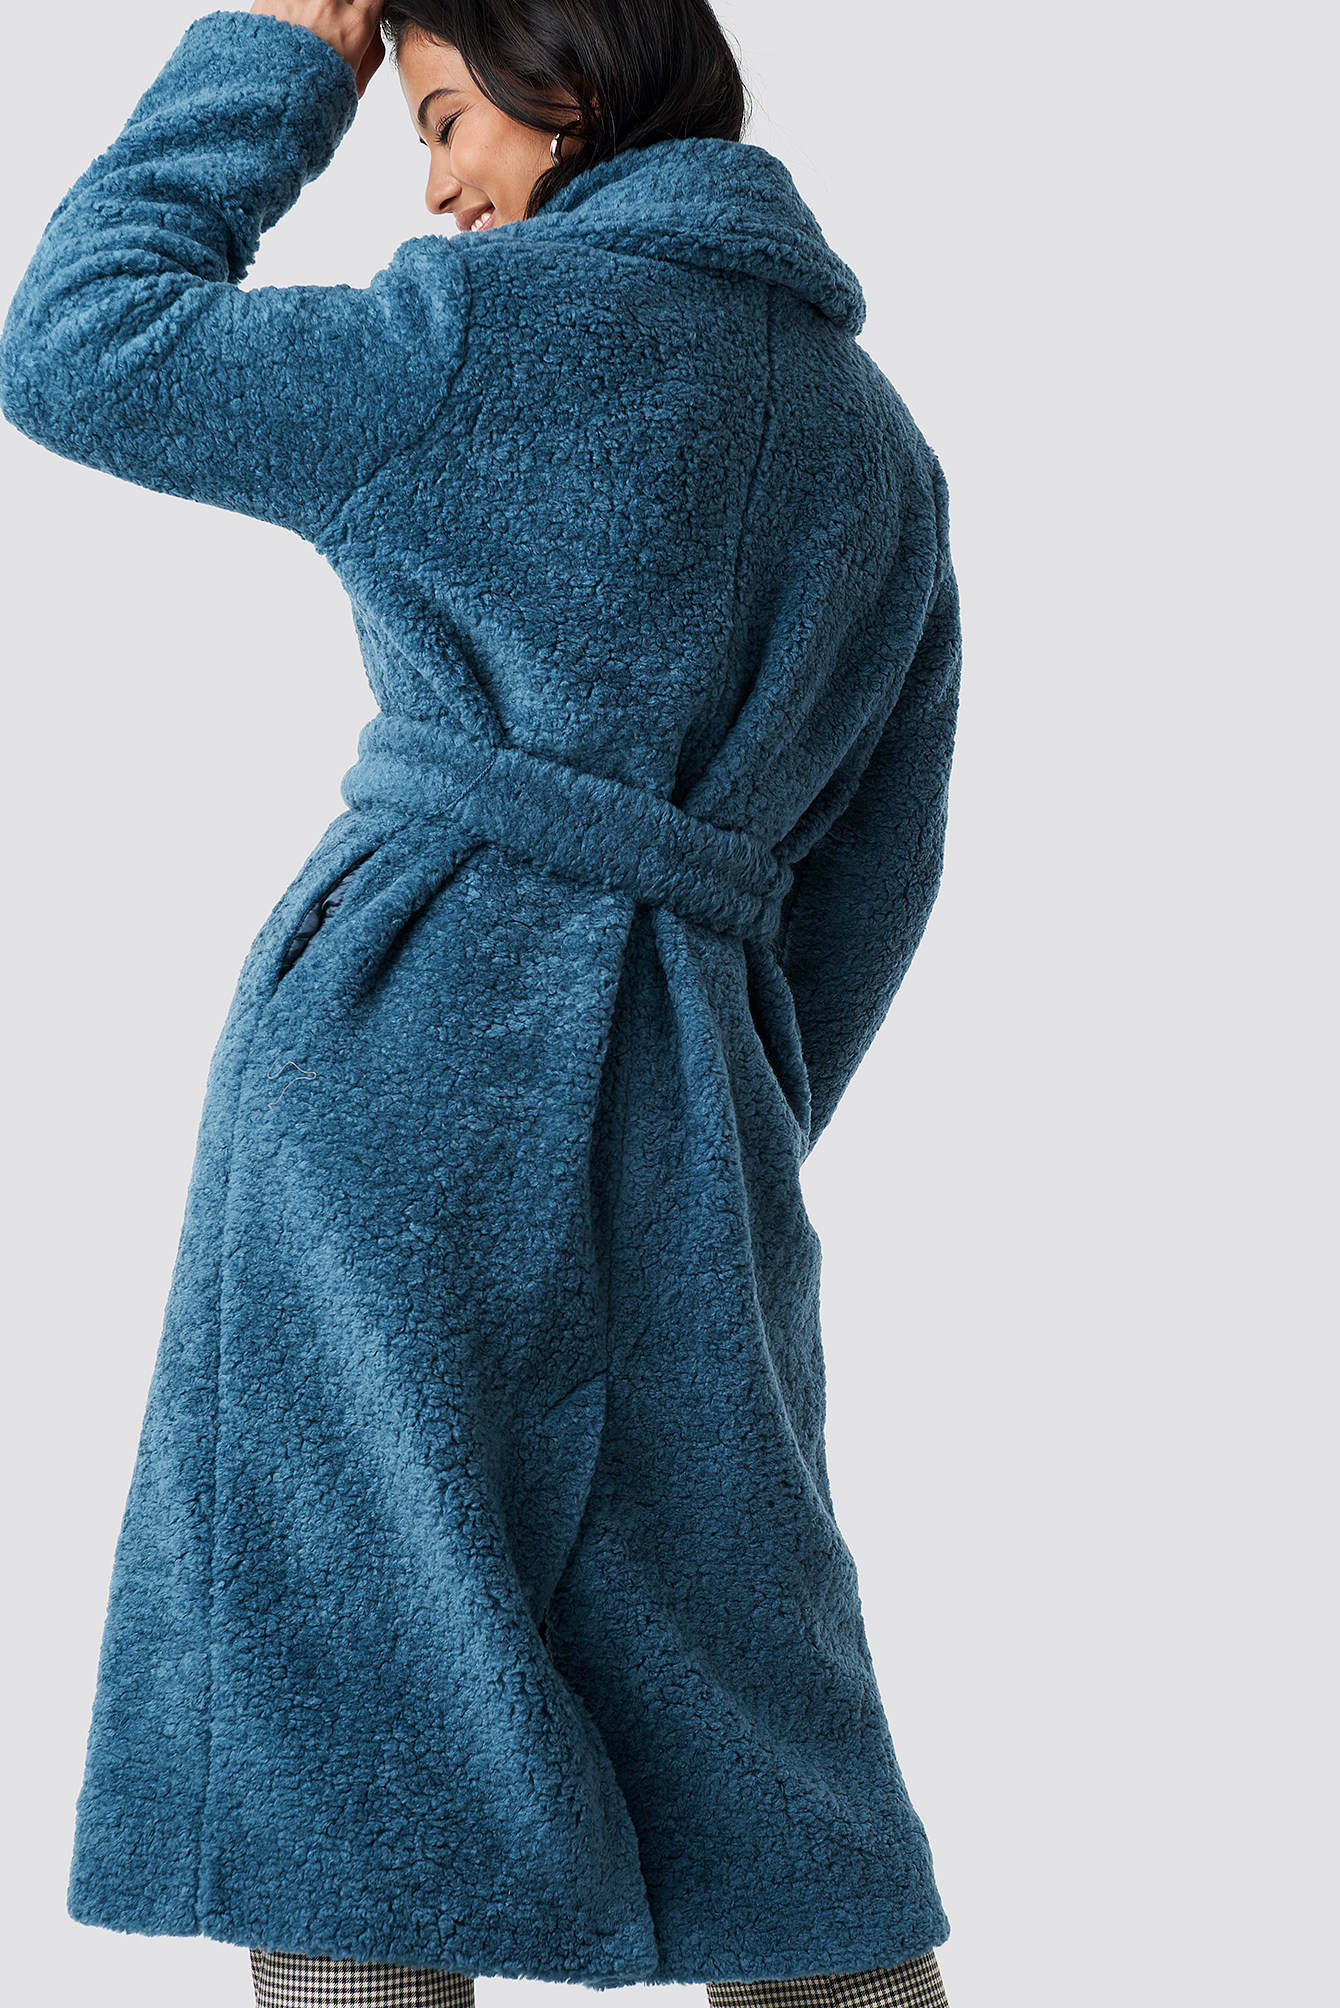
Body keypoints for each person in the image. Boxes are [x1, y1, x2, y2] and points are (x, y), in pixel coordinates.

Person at [0, 1, 961, 2003]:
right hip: (696, 1105)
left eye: (445, 118)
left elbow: (79, 345)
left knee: (343, 1650)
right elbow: (875, 870)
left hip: (397, 1047)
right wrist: (718, 1097)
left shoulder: (480, 333)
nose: (438, 183)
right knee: (747, 1687)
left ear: (571, 82)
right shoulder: (874, 444)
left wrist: (285, 55)